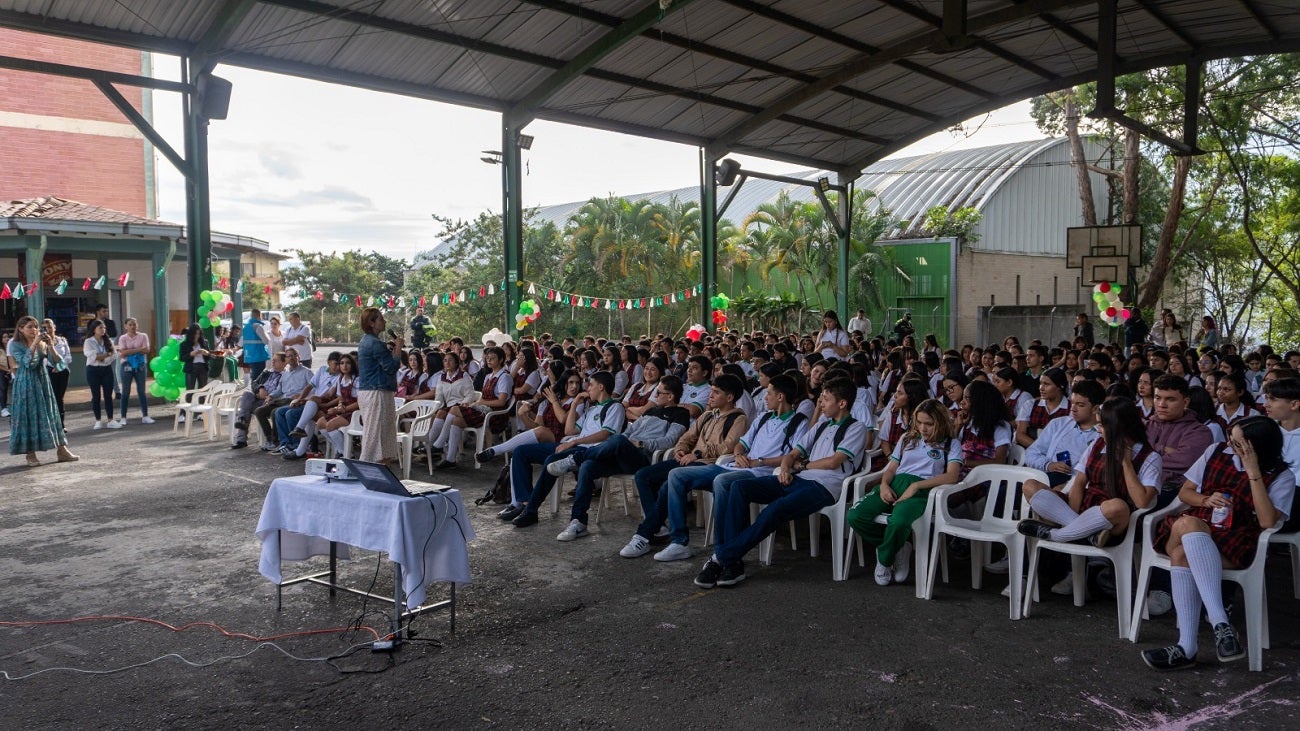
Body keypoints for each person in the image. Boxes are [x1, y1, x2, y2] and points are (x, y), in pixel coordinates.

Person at [1140, 416, 1294, 670]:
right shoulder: (1215, 451)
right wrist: (1206, 500)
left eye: (1239, 444)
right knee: (1189, 524)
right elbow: (1185, 493)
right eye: (1231, 439)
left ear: (1257, 449)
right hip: (1191, 522)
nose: (1230, 445)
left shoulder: (1281, 476)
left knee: (1182, 555)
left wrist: (1253, 472)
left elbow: (1267, 521)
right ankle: (1221, 623)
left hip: (1235, 539)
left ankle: (1186, 648)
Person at [696, 379, 868, 588]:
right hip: (799, 479)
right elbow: (792, 454)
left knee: (775, 509)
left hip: (824, 488)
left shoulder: (856, 428)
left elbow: (834, 462)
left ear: (842, 403)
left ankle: (720, 559)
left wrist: (802, 465)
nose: (821, 403)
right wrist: (786, 468)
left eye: (825, 399)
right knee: (739, 487)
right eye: (821, 398)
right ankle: (732, 562)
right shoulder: (822, 425)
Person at [1018, 396, 1162, 550]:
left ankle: (1057, 535)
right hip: (1085, 506)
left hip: (1112, 519)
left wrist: (1126, 462)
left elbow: (1141, 502)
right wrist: (1073, 517)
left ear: (1119, 427)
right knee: (1030, 486)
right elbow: (1079, 482)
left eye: (1102, 426)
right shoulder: (1097, 443)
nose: (1098, 429)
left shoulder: (1150, 457)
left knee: (1118, 506)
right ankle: (1084, 533)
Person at [847, 398, 961, 585]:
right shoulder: (907, 438)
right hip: (895, 483)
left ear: (940, 422)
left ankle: (884, 559)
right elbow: (891, 468)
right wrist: (884, 485)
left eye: (929, 424)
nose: (923, 428)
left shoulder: (950, 444)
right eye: (919, 422)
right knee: (855, 515)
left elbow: (952, 476)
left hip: (923, 490)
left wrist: (916, 486)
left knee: (899, 522)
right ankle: (897, 547)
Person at [507, 370, 626, 533]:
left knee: (552, 460)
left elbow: (605, 434)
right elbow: (569, 430)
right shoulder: (591, 410)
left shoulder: (615, 407)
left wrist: (575, 441)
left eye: (590, 385)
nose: (587, 389)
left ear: (601, 387)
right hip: (573, 445)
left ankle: (531, 511)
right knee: (521, 451)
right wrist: (574, 404)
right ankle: (525, 501)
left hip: (590, 450)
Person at [7, 316, 79, 466]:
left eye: (35, 327)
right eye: (29, 327)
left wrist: (51, 345)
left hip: (42, 381)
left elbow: (58, 363)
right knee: (28, 416)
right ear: (20, 329)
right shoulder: (14, 344)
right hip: (25, 383)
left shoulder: (42, 343)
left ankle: (62, 450)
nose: (34, 330)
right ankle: (30, 454)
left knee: (51, 413)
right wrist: (34, 343)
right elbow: (27, 363)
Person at [1021, 380, 1105, 488]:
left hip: (1076, 484)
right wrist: (1048, 465)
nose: (1073, 409)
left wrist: (1068, 486)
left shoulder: (1102, 434)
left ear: (1095, 409)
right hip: (1047, 476)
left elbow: (1096, 473)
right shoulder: (1058, 424)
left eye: (1080, 405)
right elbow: (1031, 453)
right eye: (1072, 403)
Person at [356, 307, 401, 466]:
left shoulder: (366, 341)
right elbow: (391, 367)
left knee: (382, 435)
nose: (384, 321)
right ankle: (367, 468)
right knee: (375, 436)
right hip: (377, 393)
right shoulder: (375, 343)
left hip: (371, 391)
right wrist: (398, 348)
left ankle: (382, 469)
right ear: (371, 323)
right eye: (381, 319)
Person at [231, 352, 286, 449]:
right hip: (257, 398)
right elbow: (254, 383)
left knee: (245, 409)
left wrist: (268, 396)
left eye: (276, 360)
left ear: (284, 362)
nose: (273, 362)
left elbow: (281, 391)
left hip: (270, 401)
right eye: (272, 360)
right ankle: (241, 433)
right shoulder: (267, 372)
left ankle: (241, 436)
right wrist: (260, 388)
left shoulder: (286, 376)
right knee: (247, 394)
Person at [83, 318, 121, 430]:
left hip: (106, 369)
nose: (103, 330)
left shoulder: (108, 340)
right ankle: (98, 420)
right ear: (94, 329)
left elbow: (114, 355)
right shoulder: (89, 341)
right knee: (96, 396)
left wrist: (103, 358)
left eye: (104, 328)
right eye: (100, 328)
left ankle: (110, 420)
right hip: (93, 370)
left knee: (108, 395)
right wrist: (106, 355)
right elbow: (92, 356)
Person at [116, 317, 154, 424]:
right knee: (125, 391)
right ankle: (123, 417)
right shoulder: (123, 338)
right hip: (126, 365)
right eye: (130, 324)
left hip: (140, 365)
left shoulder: (143, 336)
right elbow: (123, 352)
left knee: (141, 391)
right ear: (126, 326)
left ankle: (145, 416)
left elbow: (146, 350)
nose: (133, 326)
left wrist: (130, 351)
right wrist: (139, 349)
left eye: (134, 324)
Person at [40, 320, 72, 429]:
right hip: (49, 371)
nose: (48, 330)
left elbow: (68, 357)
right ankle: (50, 424)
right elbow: (41, 358)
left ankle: (61, 424)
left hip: (62, 371)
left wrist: (59, 367)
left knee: (59, 398)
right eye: (45, 328)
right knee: (51, 397)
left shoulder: (62, 340)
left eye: (50, 327)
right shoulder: (41, 342)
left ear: (54, 327)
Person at [178, 322, 211, 393]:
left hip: (203, 367)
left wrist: (207, 353)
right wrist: (191, 354)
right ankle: (189, 400)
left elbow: (209, 356)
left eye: (199, 334)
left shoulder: (204, 342)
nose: (197, 336)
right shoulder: (184, 344)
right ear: (191, 334)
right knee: (190, 390)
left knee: (203, 390)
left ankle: (202, 400)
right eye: (195, 334)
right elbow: (181, 358)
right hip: (191, 367)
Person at [241, 308, 270, 382]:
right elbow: (266, 341)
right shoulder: (258, 326)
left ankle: (254, 388)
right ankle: (256, 389)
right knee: (259, 377)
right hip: (258, 355)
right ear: (259, 316)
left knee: (254, 375)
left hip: (249, 355)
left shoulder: (246, 327)